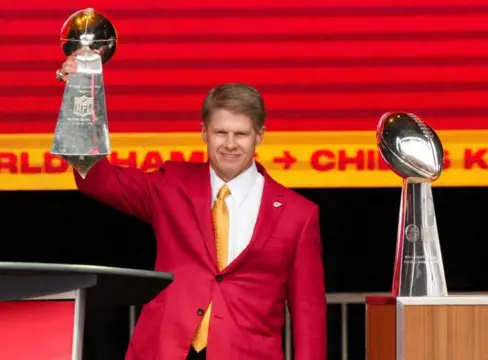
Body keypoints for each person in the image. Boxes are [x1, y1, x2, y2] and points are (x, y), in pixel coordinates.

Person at [57, 55, 327, 360]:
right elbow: (97, 179)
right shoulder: (172, 184)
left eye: (241, 134)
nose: (230, 144)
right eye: (220, 133)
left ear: (259, 136)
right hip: (166, 350)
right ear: (204, 132)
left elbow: (309, 318)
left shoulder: (298, 215)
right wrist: (80, 92)